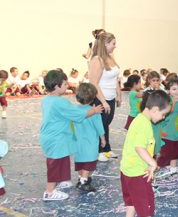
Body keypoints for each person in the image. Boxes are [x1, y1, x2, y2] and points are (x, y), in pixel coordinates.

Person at [40, 70, 103, 201]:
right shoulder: (60, 102)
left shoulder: (47, 99)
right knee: (55, 163)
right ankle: (49, 192)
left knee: (61, 160)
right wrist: (94, 110)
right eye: (64, 84)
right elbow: (78, 114)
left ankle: (62, 180)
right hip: (56, 138)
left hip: (52, 136)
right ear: (56, 86)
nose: (67, 86)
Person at [120, 90, 171, 217]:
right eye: (163, 114)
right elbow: (139, 148)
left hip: (127, 169)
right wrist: (153, 163)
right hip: (137, 172)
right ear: (154, 110)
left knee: (132, 199)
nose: (163, 117)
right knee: (145, 205)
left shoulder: (138, 119)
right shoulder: (144, 125)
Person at [89, 32, 122, 162]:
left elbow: (115, 79)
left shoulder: (110, 57)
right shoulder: (97, 60)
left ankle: (106, 148)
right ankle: (97, 150)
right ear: (105, 44)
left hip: (111, 96)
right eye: (113, 43)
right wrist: (103, 101)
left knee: (106, 123)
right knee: (99, 124)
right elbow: (94, 83)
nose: (115, 46)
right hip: (99, 97)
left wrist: (118, 94)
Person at [73, 83, 106, 192]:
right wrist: (103, 138)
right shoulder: (94, 111)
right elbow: (99, 127)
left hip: (77, 142)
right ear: (93, 98)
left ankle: (81, 178)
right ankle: (84, 181)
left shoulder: (74, 110)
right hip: (90, 142)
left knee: (80, 161)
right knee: (89, 161)